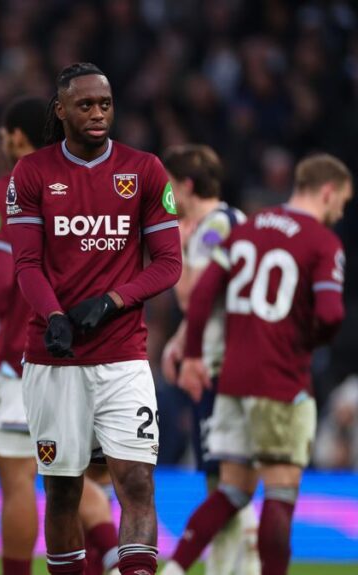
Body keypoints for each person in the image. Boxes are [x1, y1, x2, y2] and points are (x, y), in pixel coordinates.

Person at [5, 63, 182, 575]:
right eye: (85, 105)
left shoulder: (144, 170)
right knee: (64, 491)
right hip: (53, 361)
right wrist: (54, 317)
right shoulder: (32, 173)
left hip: (124, 356)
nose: (98, 113)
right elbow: (27, 265)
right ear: (61, 111)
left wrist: (112, 301)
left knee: (137, 482)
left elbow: (169, 263)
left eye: (105, 104)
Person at [162, 153, 351, 575]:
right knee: (280, 493)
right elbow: (331, 314)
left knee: (232, 490)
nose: (341, 212)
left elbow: (202, 294)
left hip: (232, 379)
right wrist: (306, 342)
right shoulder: (322, 242)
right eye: (342, 201)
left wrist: (193, 356)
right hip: (281, 379)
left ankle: (173, 570)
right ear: (327, 191)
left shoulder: (249, 228)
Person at [0, 96, 121, 575]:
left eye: (4, 135)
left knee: (19, 480)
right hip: (88, 350)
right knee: (71, 475)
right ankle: (115, 558)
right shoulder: (87, 183)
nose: (1, 143)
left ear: (17, 136)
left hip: (22, 355)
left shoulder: (12, 185)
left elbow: (1, 275)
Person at [157, 144, 258, 575]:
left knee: (227, 479)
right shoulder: (232, 220)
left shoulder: (214, 226)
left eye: (168, 186)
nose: (165, 195)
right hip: (223, 359)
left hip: (218, 366)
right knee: (225, 480)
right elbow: (208, 305)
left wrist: (178, 245)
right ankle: (238, 564)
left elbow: (191, 293)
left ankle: (190, 566)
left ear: (186, 185)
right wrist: (179, 341)